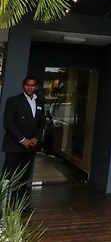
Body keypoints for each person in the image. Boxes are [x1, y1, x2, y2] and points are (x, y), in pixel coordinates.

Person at [1, 76, 46, 212]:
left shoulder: (40, 102)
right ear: (23, 85)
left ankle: (19, 206)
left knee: (24, 177)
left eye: (33, 85)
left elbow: (41, 123)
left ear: (36, 87)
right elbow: (9, 123)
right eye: (27, 85)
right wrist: (22, 139)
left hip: (31, 147)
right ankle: (4, 207)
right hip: (14, 145)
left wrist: (35, 138)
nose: (30, 87)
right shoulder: (13, 101)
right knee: (9, 176)